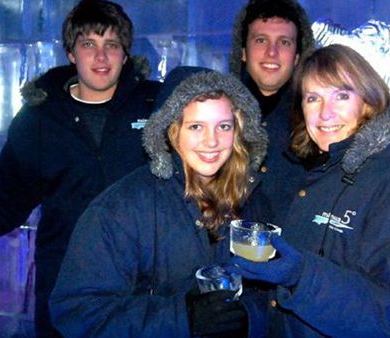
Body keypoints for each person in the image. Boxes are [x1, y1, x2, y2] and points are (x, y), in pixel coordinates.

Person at [227, 44, 390, 337]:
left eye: (341, 96)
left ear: (368, 103)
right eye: (313, 98)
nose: (325, 113)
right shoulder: (326, 170)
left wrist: (303, 277)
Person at [0, 1, 161, 336]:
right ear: (71, 53)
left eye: (111, 45)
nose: (101, 57)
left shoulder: (156, 105)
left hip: (143, 289)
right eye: (89, 44)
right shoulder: (40, 118)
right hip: (66, 287)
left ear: (125, 54)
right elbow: (4, 203)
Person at [49, 70, 269, 337]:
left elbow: (271, 294)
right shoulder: (120, 209)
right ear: (171, 130)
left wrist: (248, 318)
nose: (212, 141)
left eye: (223, 126)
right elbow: (77, 312)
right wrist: (181, 320)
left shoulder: (251, 198)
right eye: (196, 126)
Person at [229, 0, 315, 224]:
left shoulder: (320, 119)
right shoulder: (215, 112)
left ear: (297, 57)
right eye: (261, 40)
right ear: (243, 52)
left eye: (284, 42)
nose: (272, 52)